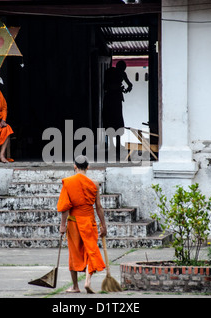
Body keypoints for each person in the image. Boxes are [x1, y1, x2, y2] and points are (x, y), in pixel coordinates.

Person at [57, 155, 107, 293]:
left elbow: (65, 207)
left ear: (75, 166)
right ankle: (87, 281)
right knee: (90, 250)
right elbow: (98, 207)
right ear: (88, 167)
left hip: (73, 222)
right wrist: (103, 225)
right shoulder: (95, 184)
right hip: (89, 221)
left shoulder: (68, 182)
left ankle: (75, 286)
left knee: (74, 253)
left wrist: (62, 225)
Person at [102, 60, 133, 160]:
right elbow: (130, 85)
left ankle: (113, 144)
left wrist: (122, 89)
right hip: (115, 99)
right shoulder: (117, 73)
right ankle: (115, 144)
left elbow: (105, 86)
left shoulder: (110, 72)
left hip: (110, 98)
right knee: (115, 119)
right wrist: (123, 89)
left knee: (112, 119)